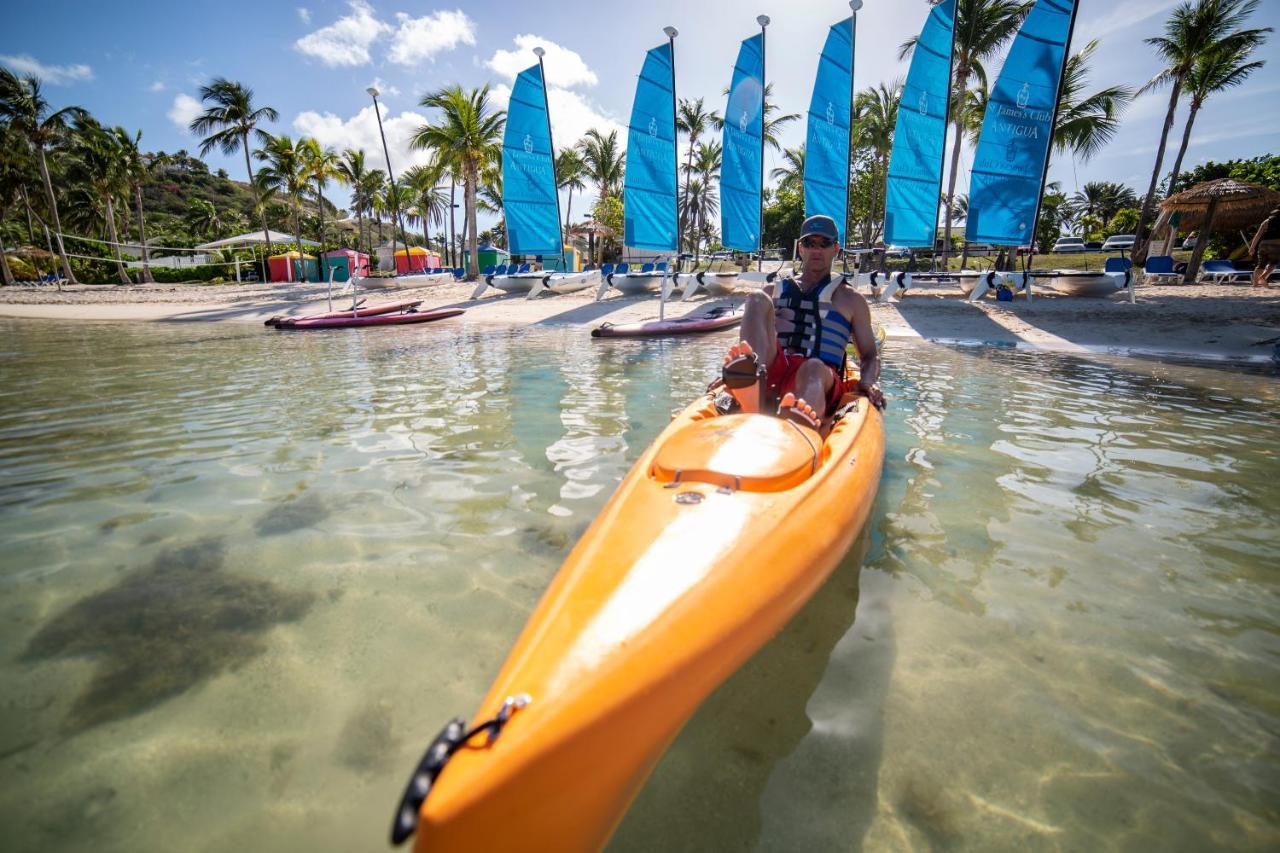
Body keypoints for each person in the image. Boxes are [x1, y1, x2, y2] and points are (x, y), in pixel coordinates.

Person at [720, 214, 883, 430]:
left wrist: (868, 381)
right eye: (809, 243)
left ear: (836, 249)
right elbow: (757, 335)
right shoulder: (773, 291)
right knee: (756, 298)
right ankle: (750, 384)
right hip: (772, 369)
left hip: (819, 378)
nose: (816, 249)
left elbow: (870, 355)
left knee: (813, 367)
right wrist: (729, 376)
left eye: (824, 243)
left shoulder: (851, 300)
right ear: (800, 249)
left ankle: (798, 428)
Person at [1249, 207, 1280, 288]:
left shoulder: (1266, 221)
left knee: (1260, 265)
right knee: (1273, 264)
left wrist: (1252, 247)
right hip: (1276, 245)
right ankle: (1263, 277)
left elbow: (1258, 235)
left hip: (1263, 245)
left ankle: (1255, 284)